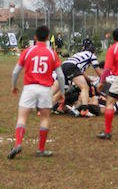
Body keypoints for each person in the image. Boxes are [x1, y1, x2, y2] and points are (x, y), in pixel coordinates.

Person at [8, 25, 65, 159]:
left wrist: (14, 86)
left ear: (35, 37)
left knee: (22, 117)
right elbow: (61, 76)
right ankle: (40, 149)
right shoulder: (52, 52)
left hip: (29, 88)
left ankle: (18, 144)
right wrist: (62, 91)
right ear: (47, 37)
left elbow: (16, 71)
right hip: (45, 89)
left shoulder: (28, 51)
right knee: (44, 118)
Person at [53, 39, 103, 117]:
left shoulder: (79, 54)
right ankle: (85, 110)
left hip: (63, 66)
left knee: (56, 90)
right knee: (84, 88)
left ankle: (43, 108)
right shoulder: (91, 55)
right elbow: (98, 70)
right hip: (71, 67)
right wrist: (104, 79)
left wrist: (89, 80)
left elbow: (80, 73)